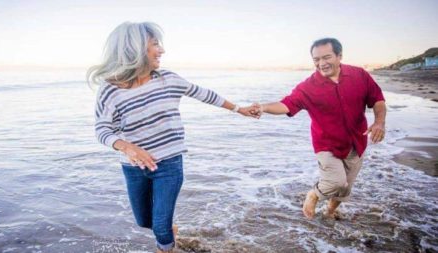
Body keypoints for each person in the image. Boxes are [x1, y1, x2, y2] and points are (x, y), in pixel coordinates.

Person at [87, 21, 255, 252]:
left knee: (160, 227)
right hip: (133, 167)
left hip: (169, 163)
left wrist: (239, 109)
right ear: (133, 49)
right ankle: (167, 232)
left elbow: (204, 94)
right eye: (155, 44)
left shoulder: (167, 79)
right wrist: (126, 146)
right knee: (144, 222)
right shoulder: (110, 90)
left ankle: (167, 246)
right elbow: (102, 129)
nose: (162, 50)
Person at [250, 38, 386, 219]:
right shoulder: (308, 87)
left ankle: (330, 212)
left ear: (339, 56)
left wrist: (379, 122)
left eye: (327, 57)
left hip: (356, 141)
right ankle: (313, 195)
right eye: (316, 59)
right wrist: (263, 108)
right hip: (326, 144)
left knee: (345, 187)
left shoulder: (359, 75)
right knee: (335, 181)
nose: (321, 63)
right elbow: (287, 105)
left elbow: (377, 99)